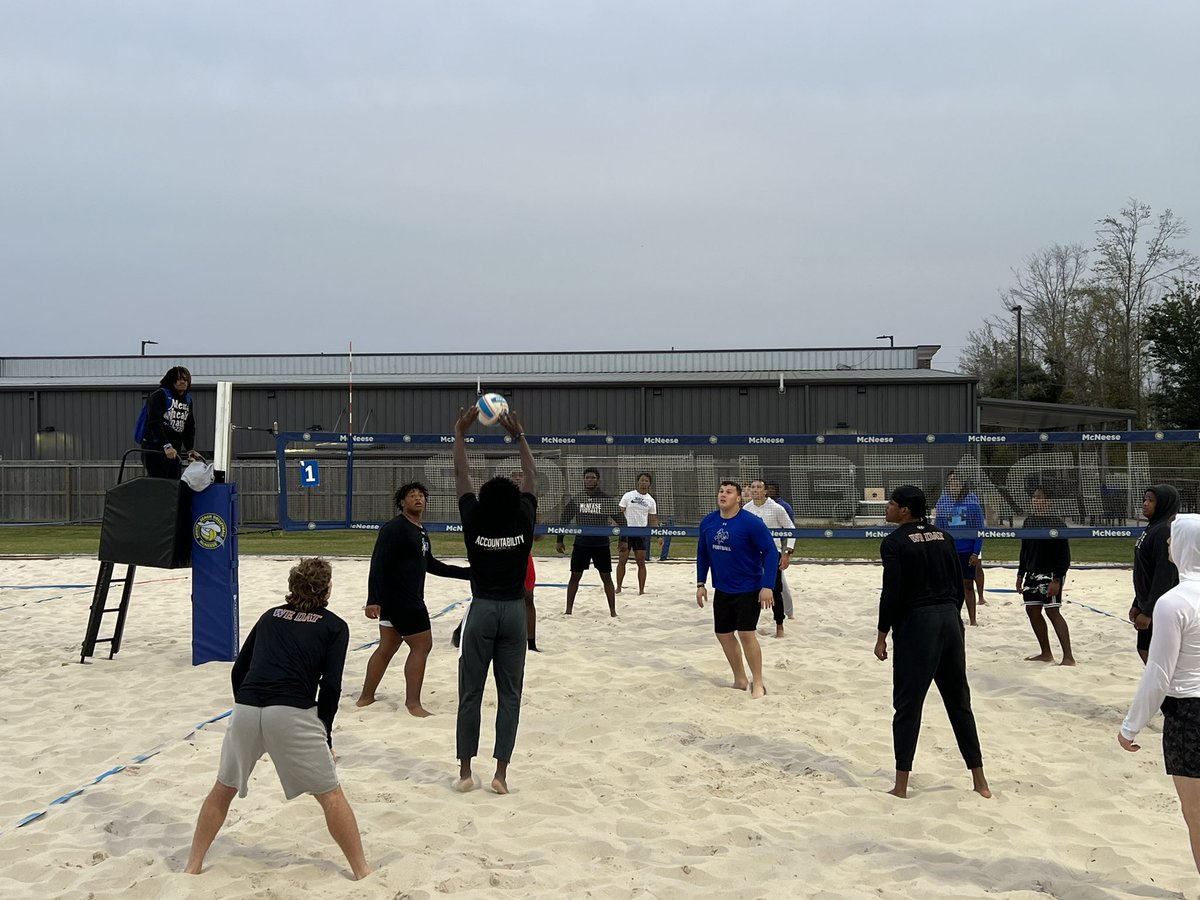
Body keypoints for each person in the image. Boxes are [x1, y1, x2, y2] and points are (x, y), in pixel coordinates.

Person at [185, 558, 369, 879]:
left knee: (222, 789)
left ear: (292, 586)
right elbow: (332, 687)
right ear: (327, 589)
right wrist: (324, 735)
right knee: (330, 795)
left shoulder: (270, 616)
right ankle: (362, 871)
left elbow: (239, 670)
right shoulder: (335, 626)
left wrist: (246, 707)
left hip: (246, 708)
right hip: (291, 712)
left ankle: (193, 865)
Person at [874, 486, 990, 800]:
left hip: (919, 624)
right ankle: (980, 782)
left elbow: (892, 594)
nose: (887, 508)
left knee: (908, 706)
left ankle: (900, 786)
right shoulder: (945, 537)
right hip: (951, 621)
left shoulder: (894, 542)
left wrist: (882, 634)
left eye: (892, 504)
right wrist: (953, 618)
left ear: (905, 511)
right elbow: (959, 584)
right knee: (959, 703)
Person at [453, 405, 537, 794]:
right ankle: (501, 774)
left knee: (471, 691)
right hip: (514, 611)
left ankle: (466, 772)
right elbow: (532, 476)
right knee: (510, 694)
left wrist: (460, 435)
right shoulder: (523, 519)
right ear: (515, 500)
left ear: (484, 501)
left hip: (483, 607)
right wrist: (519, 435)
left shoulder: (474, 519)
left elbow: (462, 476)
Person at [1119, 513, 1200, 876]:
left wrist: (1131, 725)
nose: (1167, 544)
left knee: (1196, 816)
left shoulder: (1174, 603)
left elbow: (1159, 672)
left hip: (1188, 714)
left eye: (1171, 539)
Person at [356, 483, 471, 715]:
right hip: (403, 600)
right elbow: (378, 562)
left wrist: (467, 573)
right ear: (402, 502)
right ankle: (413, 704)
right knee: (422, 645)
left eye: (421, 496)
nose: (418, 499)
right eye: (412, 496)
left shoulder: (419, 530)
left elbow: (430, 564)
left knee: (386, 648)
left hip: (400, 599)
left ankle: (365, 698)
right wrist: (372, 599)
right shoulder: (394, 528)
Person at [696, 480, 779, 699]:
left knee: (746, 633)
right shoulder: (709, 522)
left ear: (739, 498)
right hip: (723, 588)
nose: (723, 495)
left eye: (729, 492)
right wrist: (700, 583)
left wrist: (767, 586)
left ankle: (758, 682)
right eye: (721, 491)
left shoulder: (751, 523)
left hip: (749, 587)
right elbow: (702, 553)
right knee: (723, 634)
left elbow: (770, 553)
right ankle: (740, 679)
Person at [1016, 487, 1074, 665]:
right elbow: (1024, 549)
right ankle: (1046, 653)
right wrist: (1020, 574)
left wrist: (1057, 579)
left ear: (1048, 501)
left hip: (1051, 574)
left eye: (1040, 498)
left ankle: (1068, 657)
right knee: (1032, 611)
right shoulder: (1029, 521)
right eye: (1034, 497)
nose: (1036, 501)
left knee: (1052, 611)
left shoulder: (1056, 522)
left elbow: (1064, 555)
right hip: (1032, 573)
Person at [556, 467, 621, 617]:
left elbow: (622, 521)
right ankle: (568, 610)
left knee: (606, 577)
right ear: (583, 479)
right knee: (574, 576)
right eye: (587, 477)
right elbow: (564, 520)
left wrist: (623, 540)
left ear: (598, 480)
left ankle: (613, 612)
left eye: (592, 477)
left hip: (601, 544)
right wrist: (559, 540)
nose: (589, 480)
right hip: (581, 544)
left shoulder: (606, 499)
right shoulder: (577, 499)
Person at [1132, 484, 1181, 665]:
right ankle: (1163, 690)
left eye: (1151, 501)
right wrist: (1137, 603)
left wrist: (1148, 611)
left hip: (1161, 607)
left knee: (1159, 656)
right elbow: (1145, 571)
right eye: (1145, 499)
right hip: (1148, 602)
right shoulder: (1153, 527)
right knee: (1144, 649)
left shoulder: (1164, 531)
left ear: (1164, 504)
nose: (1145, 504)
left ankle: (1168, 691)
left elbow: (1164, 575)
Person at [742, 479, 796, 638]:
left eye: (759, 487)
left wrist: (787, 553)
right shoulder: (746, 509)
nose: (755, 490)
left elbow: (791, 529)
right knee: (751, 590)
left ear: (766, 491)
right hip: (751, 555)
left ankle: (780, 625)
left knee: (775, 589)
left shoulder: (776, 508)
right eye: (752, 487)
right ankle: (750, 625)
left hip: (772, 553)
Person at [933, 473, 985, 626]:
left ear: (963, 484)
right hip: (949, 550)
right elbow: (939, 528)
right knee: (950, 587)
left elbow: (979, 530)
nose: (954, 486)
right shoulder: (943, 502)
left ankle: (973, 620)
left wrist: (976, 552)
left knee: (968, 584)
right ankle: (953, 618)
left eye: (957, 483)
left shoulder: (973, 503)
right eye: (951, 483)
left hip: (967, 551)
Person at [142, 366, 200, 478]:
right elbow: (154, 423)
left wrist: (189, 449)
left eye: (185, 379)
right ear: (171, 380)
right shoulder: (159, 395)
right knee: (160, 482)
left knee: (174, 483)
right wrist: (166, 445)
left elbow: (189, 426)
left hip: (175, 450)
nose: (182, 381)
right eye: (178, 379)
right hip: (156, 449)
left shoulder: (187, 400)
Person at [510, 469, 541, 652]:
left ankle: (531, 643)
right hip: (502, 554)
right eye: (514, 477)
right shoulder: (501, 501)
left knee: (528, 598)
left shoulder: (530, 503)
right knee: (490, 596)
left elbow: (537, 534)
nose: (517, 479)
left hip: (524, 555)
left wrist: (538, 533)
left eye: (520, 477)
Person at [616, 472, 659, 595]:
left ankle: (641, 590)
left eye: (646, 481)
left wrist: (658, 535)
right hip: (626, 532)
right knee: (622, 560)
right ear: (637, 482)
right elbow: (619, 513)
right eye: (642, 480)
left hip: (640, 533)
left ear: (649, 484)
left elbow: (653, 519)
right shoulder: (628, 496)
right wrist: (616, 527)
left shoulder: (650, 501)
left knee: (641, 562)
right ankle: (618, 587)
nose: (644, 483)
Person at [766, 482, 797, 620]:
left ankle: (788, 612)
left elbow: (790, 527)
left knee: (780, 583)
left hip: (777, 545)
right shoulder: (749, 507)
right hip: (757, 549)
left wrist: (787, 550)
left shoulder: (781, 507)